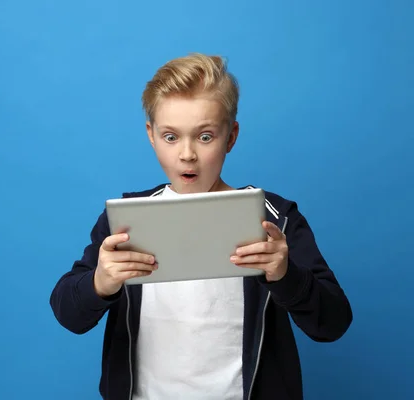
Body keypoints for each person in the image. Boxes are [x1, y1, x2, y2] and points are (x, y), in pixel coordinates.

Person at [49, 53, 353, 400]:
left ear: (231, 136)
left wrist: (286, 275)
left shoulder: (274, 219)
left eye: (205, 136)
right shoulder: (125, 221)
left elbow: (333, 323)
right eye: (170, 137)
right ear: (151, 135)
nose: (187, 154)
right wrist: (100, 283)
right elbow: (67, 312)